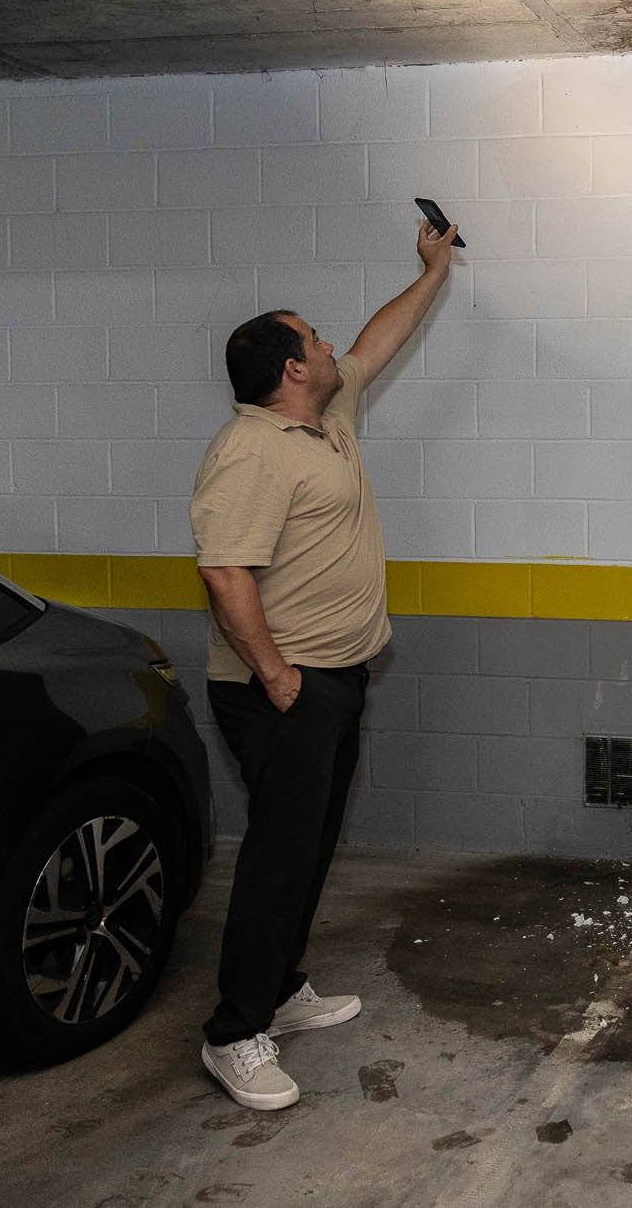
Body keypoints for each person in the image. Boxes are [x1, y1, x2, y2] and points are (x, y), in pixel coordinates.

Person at [191, 218, 456, 1109]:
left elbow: (381, 337)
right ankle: (234, 1032)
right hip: (282, 688)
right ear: (290, 369)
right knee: (277, 856)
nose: (332, 342)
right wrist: (276, 676)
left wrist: (433, 268)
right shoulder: (251, 450)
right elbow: (225, 568)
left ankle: (279, 989)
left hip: (332, 679)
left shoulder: (325, 420)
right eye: (314, 337)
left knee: (308, 847)